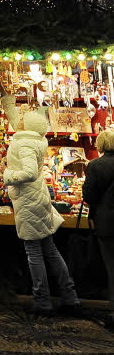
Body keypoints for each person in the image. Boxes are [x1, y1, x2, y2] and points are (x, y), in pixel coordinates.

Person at [2, 105, 80, 315]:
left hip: (28, 200)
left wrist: (6, 174)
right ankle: (70, 297)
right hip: (37, 197)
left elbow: (27, 172)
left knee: (34, 252)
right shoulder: (33, 139)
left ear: (27, 125)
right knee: (50, 250)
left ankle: (43, 302)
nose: (17, 120)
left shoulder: (25, 142)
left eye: (22, 119)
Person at [83, 129, 114, 329]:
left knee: (112, 269)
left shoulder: (95, 166)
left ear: (100, 146)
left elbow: (89, 196)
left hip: (108, 226)